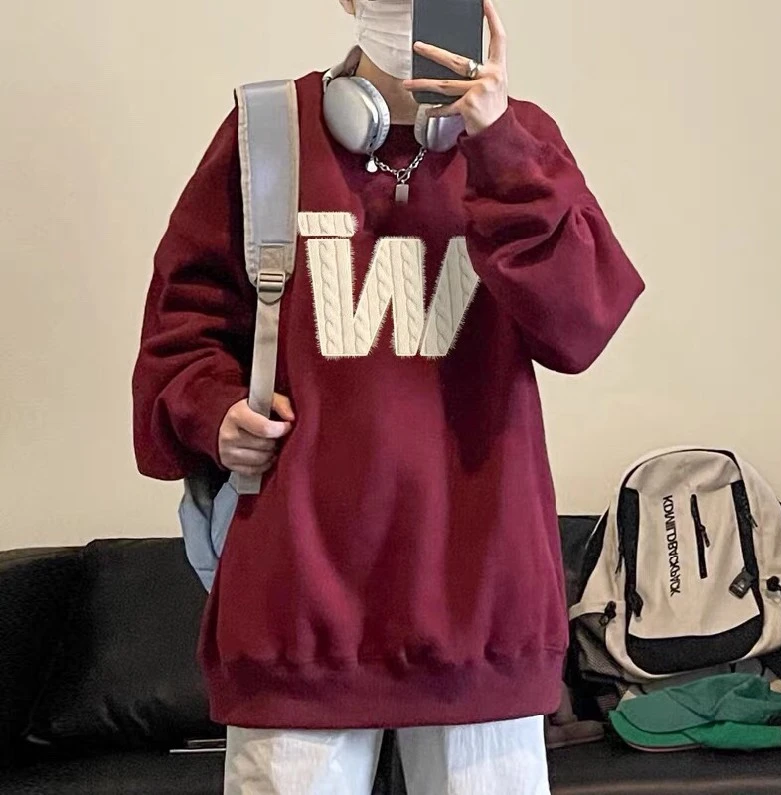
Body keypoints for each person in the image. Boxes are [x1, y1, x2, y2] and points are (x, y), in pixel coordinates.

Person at [132, 1, 644, 792]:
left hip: (479, 605)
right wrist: (214, 410)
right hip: (299, 612)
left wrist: (497, 142)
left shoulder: (522, 141)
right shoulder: (267, 132)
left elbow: (581, 324)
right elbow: (182, 325)